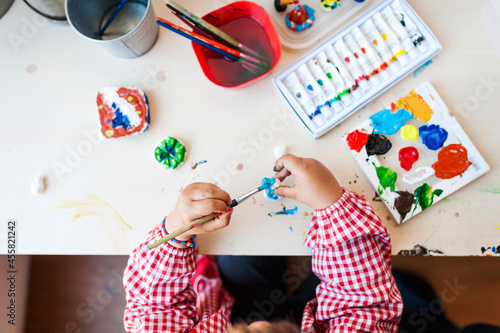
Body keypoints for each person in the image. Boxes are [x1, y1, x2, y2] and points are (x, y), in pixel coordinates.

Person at [123, 154, 404, 332]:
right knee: (371, 281)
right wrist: (331, 204)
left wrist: (177, 228)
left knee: (240, 260)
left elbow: (151, 304)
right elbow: (362, 305)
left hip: (231, 303)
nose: (258, 325)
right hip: (322, 322)